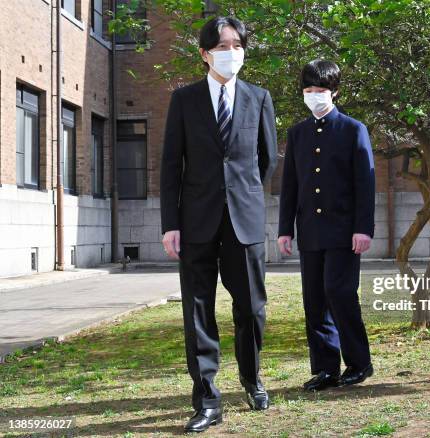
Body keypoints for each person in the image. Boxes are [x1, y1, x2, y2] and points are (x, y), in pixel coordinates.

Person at [160, 16, 277, 433]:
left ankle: (252, 378)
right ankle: (207, 398)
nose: (232, 53)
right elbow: (172, 165)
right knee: (197, 312)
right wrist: (170, 223)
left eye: (237, 45)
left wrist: (243, 195)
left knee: (251, 309)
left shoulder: (259, 97)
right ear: (205, 53)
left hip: (243, 221)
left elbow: (267, 159)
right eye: (223, 46)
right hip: (195, 222)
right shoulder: (184, 100)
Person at [277, 60, 375, 392]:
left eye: (320, 91)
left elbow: (365, 184)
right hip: (310, 230)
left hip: (345, 231)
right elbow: (290, 184)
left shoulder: (352, 129)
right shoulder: (297, 133)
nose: (315, 96)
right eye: (309, 91)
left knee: (340, 293)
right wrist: (284, 229)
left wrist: (364, 228)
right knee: (314, 299)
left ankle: (359, 363)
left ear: (335, 91)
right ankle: (325, 369)